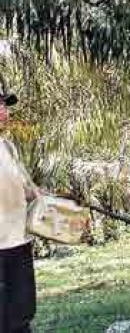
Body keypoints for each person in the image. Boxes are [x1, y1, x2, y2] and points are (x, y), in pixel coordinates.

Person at [0, 82, 39, 333]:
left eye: (4, 105)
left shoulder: (8, 147)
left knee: (23, 310)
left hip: (18, 241)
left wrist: (62, 202)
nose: (3, 111)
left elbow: (29, 190)